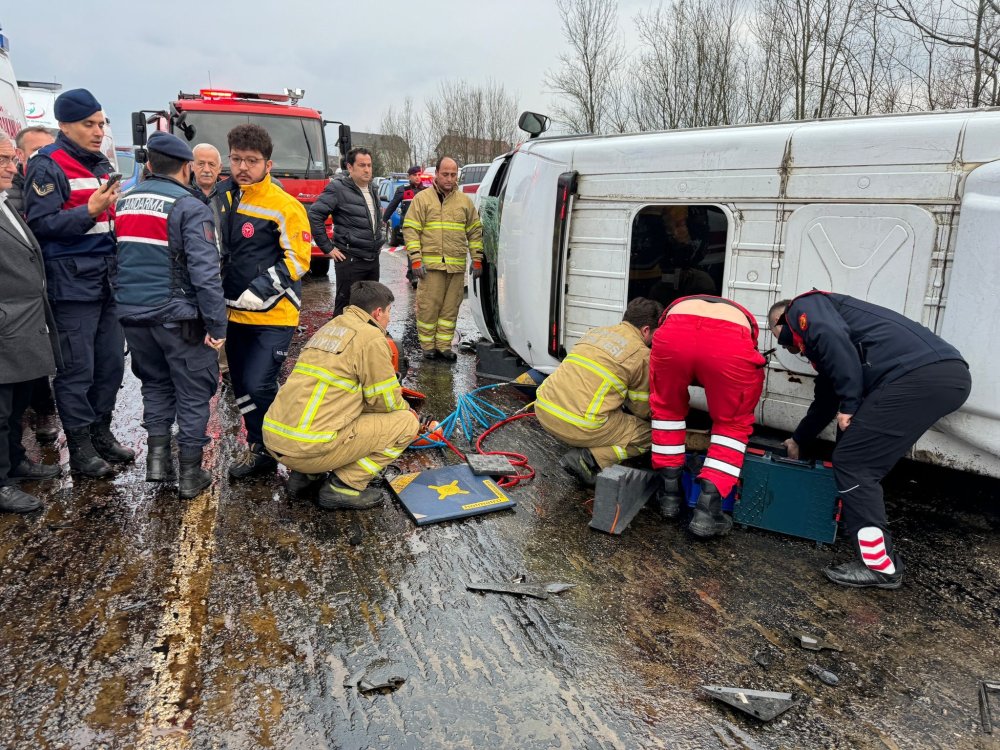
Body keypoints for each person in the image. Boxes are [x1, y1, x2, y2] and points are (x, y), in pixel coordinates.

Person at [768, 292, 971, 589]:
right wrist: (799, 439)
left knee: (854, 462)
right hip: (937, 376)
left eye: (786, 339)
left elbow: (832, 340)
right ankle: (860, 531)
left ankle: (880, 566)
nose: (793, 348)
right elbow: (826, 400)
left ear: (784, 319)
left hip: (920, 376)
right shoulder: (829, 344)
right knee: (853, 449)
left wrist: (850, 404)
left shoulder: (806, 306)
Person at [23, 88, 133, 478]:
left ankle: (101, 432)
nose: (98, 131)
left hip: (107, 284)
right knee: (76, 372)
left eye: (102, 123)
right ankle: (81, 446)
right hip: (72, 289)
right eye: (89, 124)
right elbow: (40, 226)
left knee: (110, 368)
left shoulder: (101, 165)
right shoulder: (47, 165)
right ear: (65, 125)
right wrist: (88, 212)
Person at [113, 133, 227, 498]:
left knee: (156, 385)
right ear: (185, 167)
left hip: (134, 317)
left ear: (149, 165)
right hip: (178, 319)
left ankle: (158, 463)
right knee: (194, 393)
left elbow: (115, 260)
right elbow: (205, 273)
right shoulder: (189, 206)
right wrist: (216, 324)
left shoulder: (125, 201)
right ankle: (190, 475)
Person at [262, 280, 419, 509]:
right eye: (388, 312)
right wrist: (411, 412)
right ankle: (343, 487)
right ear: (377, 312)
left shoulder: (330, 328)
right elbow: (385, 402)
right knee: (406, 424)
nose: (389, 319)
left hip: (276, 439)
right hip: (306, 448)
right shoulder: (371, 337)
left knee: (333, 407)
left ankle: (306, 476)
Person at [213, 124, 312, 479]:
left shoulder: (285, 206)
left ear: (267, 165)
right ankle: (260, 447)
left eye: (251, 161)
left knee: (259, 384)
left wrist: (259, 290)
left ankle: (288, 447)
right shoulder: (222, 197)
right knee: (241, 387)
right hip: (232, 315)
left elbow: (300, 259)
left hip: (274, 315)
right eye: (236, 159)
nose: (242, 167)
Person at [649, 295, 767, 538]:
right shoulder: (740, 318)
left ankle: (669, 498)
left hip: (674, 333)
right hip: (729, 341)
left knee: (667, 412)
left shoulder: (678, 307)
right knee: (732, 425)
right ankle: (706, 513)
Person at [535, 297, 663, 486]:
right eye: (656, 335)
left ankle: (585, 440)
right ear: (646, 330)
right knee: (653, 434)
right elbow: (641, 409)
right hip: (577, 423)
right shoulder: (641, 354)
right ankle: (589, 459)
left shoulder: (595, 333)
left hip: (544, 409)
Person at [0, 131, 61, 512]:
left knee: (15, 404)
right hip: (6, 326)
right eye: (3, 160)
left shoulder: (6, 202)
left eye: (12, 159)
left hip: (22, 327)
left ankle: (15, 463)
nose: (12, 166)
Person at [402, 156, 483, 361]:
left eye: (453, 175)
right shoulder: (422, 199)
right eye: (445, 174)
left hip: (455, 267)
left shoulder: (464, 202)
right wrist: (416, 260)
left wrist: (477, 259)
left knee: (450, 310)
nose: (449, 178)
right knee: (429, 308)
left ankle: (444, 346)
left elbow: (474, 231)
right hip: (430, 267)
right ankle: (428, 346)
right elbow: (411, 229)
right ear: (436, 174)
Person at [11, 126, 60, 443]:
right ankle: (39, 411)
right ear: (20, 155)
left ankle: (43, 409)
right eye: (37, 151)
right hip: (17, 292)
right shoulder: (12, 192)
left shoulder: (52, 186)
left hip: (47, 284)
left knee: (42, 352)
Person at [307, 147, 384, 318]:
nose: (367, 169)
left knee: (370, 307)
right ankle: (340, 343)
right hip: (350, 260)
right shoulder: (338, 188)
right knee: (345, 308)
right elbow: (314, 214)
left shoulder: (373, 188)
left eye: (369, 165)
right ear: (350, 167)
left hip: (372, 258)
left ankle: (365, 342)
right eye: (362, 165)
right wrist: (327, 248)